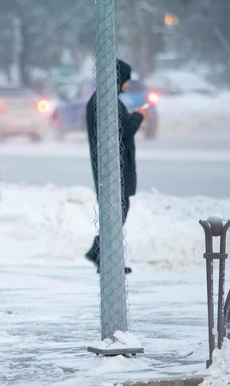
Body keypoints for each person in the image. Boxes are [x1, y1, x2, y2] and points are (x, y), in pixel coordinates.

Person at [84, 60, 149, 274]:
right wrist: (139, 116)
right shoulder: (106, 101)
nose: (128, 84)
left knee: (117, 212)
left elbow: (117, 127)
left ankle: (101, 254)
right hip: (114, 169)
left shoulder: (105, 100)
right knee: (116, 213)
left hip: (115, 167)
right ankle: (105, 257)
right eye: (127, 79)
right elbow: (123, 131)